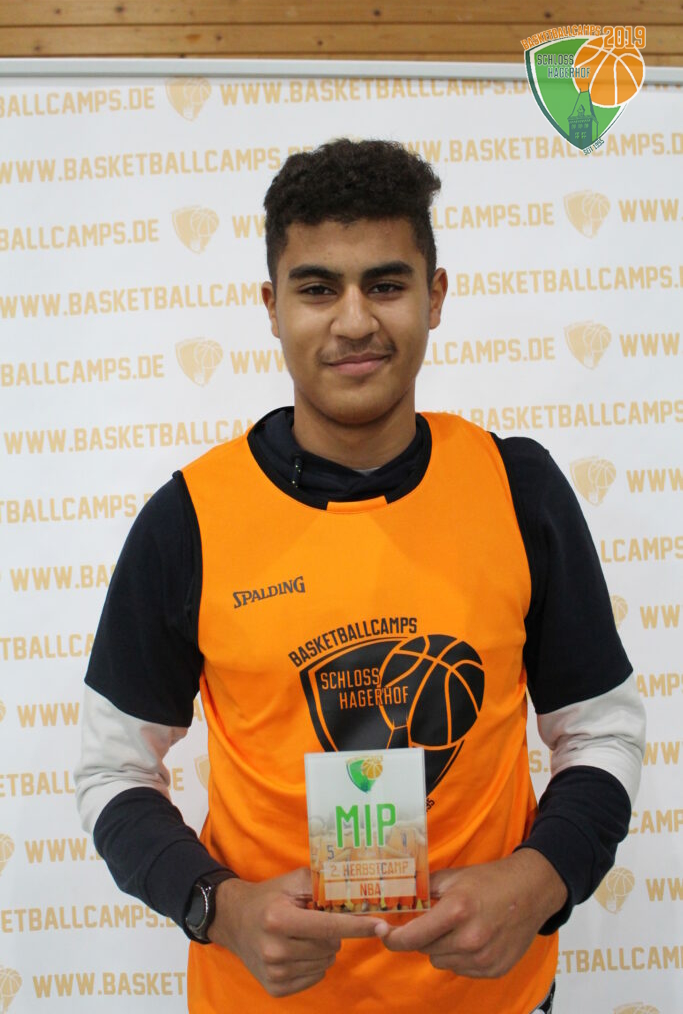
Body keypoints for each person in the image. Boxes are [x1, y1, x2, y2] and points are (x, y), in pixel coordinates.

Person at [75, 138, 645, 1014]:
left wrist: (540, 879)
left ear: (435, 296)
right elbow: (111, 771)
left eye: (385, 285)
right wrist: (217, 907)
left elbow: (601, 732)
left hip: (492, 998)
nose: (352, 322)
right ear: (270, 307)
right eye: (316, 288)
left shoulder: (515, 488)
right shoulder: (188, 519)